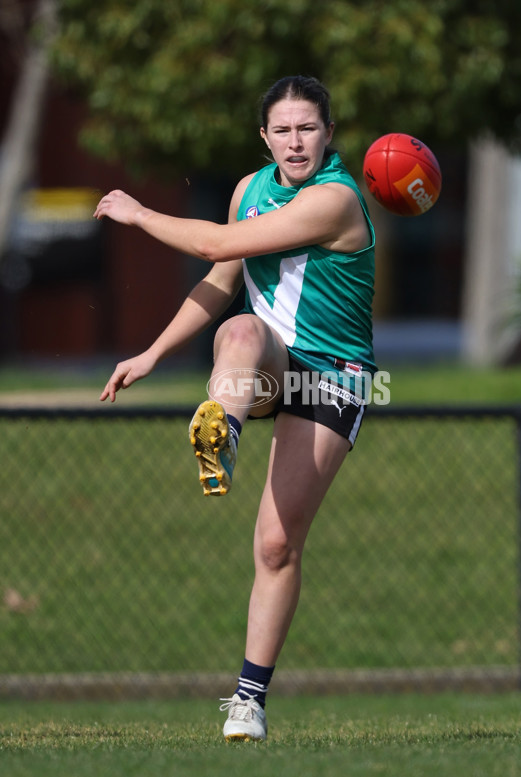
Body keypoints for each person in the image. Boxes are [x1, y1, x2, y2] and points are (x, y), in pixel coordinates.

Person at [94, 75, 376, 742]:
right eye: (283, 129)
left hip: (330, 377)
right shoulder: (250, 190)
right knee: (243, 329)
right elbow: (222, 280)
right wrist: (153, 353)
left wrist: (140, 214)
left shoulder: (335, 198)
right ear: (264, 137)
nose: (296, 139)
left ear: (329, 134)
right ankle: (223, 427)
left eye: (308, 127)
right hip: (268, 362)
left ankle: (249, 699)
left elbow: (216, 246)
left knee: (277, 544)